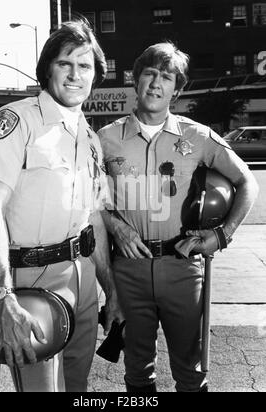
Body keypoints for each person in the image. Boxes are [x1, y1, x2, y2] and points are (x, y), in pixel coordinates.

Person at [98, 42, 259, 392]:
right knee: (137, 373)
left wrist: (221, 236)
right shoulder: (105, 138)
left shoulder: (197, 136)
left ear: (177, 88)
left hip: (183, 268)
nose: (156, 83)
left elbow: (247, 181)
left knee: (191, 372)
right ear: (136, 80)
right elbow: (90, 199)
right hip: (128, 270)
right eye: (150, 74)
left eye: (166, 77)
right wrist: (113, 224)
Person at [0, 20, 122, 392]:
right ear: (47, 69)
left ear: (95, 76)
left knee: (77, 388)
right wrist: (3, 297)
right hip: (30, 282)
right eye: (65, 63)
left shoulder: (89, 137)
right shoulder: (17, 120)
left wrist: (111, 289)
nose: (75, 75)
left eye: (84, 66)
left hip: (83, 280)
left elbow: (94, 219)